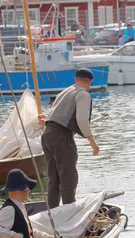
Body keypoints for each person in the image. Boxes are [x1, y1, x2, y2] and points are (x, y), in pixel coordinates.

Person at [41, 68, 99, 208]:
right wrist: (93, 143)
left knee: (54, 178)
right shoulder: (83, 94)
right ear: (90, 82)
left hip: (47, 135)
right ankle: (69, 212)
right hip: (61, 136)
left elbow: (53, 113)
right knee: (68, 177)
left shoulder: (65, 91)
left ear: (75, 80)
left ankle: (53, 212)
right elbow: (82, 120)